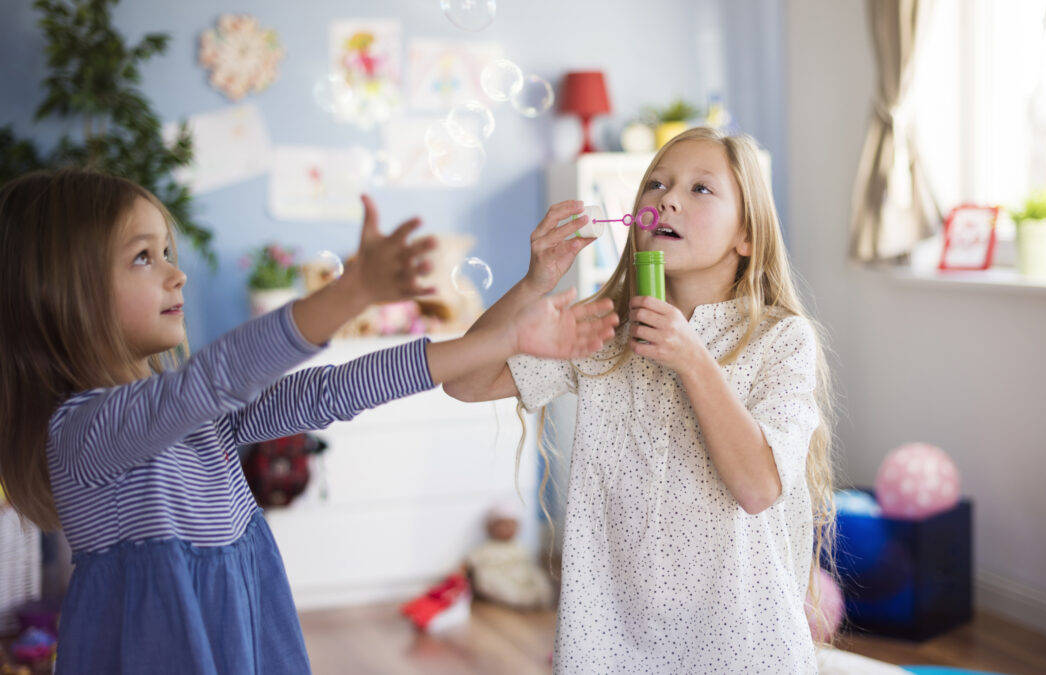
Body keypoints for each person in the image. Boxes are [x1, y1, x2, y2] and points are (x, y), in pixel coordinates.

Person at [0, 168, 617, 674]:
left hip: (240, 641)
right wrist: (351, 293)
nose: (175, 271)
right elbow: (216, 376)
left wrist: (503, 337)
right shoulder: (85, 432)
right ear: (63, 292)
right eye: (142, 257)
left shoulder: (192, 417)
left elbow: (334, 388)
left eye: (167, 251)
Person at [444, 128, 836, 673]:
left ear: (746, 234)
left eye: (701, 189)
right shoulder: (604, 328)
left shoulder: (781, 339)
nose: (667, 198)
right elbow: (465, 380)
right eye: (656, 183)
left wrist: (691, 357)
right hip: (611, 638)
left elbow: (757, 487)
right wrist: (535, 283)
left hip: (739, 642)